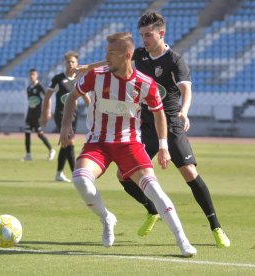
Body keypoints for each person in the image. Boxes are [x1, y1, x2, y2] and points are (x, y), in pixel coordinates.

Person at [76, 11, 230, 248]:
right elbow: (114, 60)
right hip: (143, 124)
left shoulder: (175, 60)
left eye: (148, 35)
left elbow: (186, 89)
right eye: (142, 35)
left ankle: (216, 226)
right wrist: (88, 67)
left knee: (188, 172)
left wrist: (184, 111)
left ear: (161, 33)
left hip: (170, 120)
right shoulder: (139, 55)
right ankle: (152, 210)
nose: (144, 39)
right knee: (123, 177)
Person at [60, 32, 197, 257]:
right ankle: (107, 218)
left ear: (127, 55)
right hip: (99, 143)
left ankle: (183, 241)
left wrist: (163, 146)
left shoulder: (145, 84)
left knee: (155, 190)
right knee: (80, 180)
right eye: (106, 53)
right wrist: (66, 126)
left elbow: (159, 114)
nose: (106, 58)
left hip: (129, 144)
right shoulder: (96, 75)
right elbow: (72, 97)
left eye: (111, 54)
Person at [40, 51, 90, 182]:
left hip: (74, 114)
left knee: (64, 144)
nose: (70, 64)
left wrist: (93, 109)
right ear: (65, 63)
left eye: (73, 61)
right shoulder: (58, 78)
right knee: (70, 142)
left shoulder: (79, 79)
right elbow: (47, 97)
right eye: (68, 62)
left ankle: (59, 174)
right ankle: (76, 175)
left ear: (77, 64)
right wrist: (46, 112)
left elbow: (85, 96)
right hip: (61, 115)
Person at [22, 68, 56, 161]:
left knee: (39, 134)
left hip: (37, 115)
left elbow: (47, 98)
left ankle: (51, 150)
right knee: (27, 133)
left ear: (36, 75)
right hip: (29, 114)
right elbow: (31, 102)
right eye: (30, 74)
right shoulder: (28, 88)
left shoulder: (40, 87)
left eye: (33, 74)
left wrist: (47, 112)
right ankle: (28, 155)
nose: (31, 76)